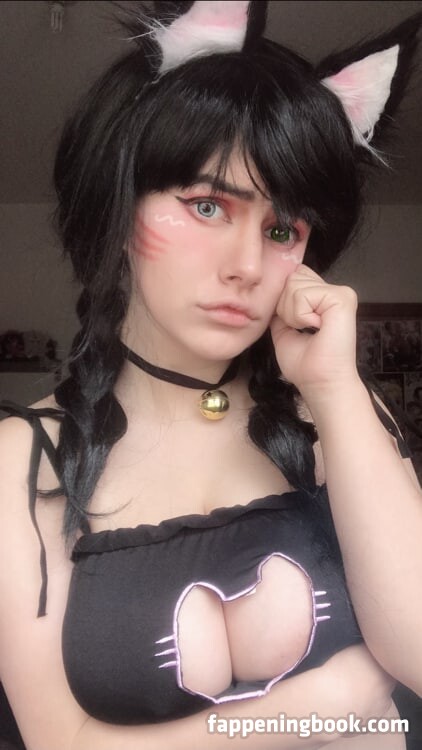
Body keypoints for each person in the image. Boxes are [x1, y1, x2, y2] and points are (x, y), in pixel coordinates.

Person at [0, 2, 421, 749]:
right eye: (206, 206)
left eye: (282, 229)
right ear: (120, 210)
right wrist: (324, 704)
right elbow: (59, 740)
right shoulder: (21, 461)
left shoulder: (336, 416)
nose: (247, 266)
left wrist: (334, 390)